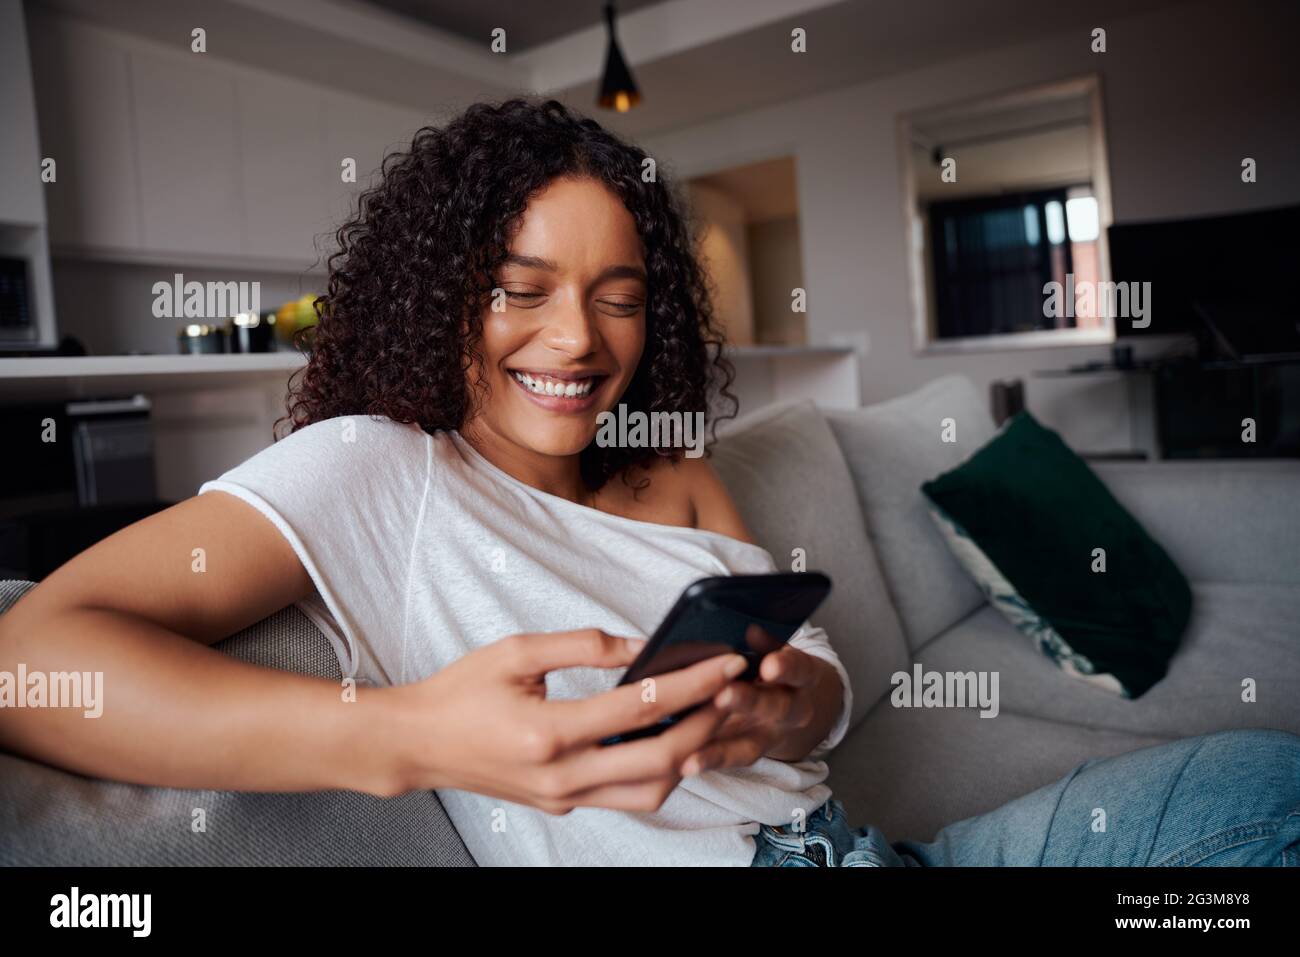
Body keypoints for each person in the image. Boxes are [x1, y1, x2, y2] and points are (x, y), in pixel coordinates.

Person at [2, 99, 1296, 867]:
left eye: (619, 299)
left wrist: (782, 705)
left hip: (877, 846)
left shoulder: (676, 474)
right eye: (523, 291)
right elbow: (29, 659)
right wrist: (404, 735)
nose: (579, 341)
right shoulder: (378, 470)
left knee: (1261, 792)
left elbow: (824, 694)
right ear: (436, 292)